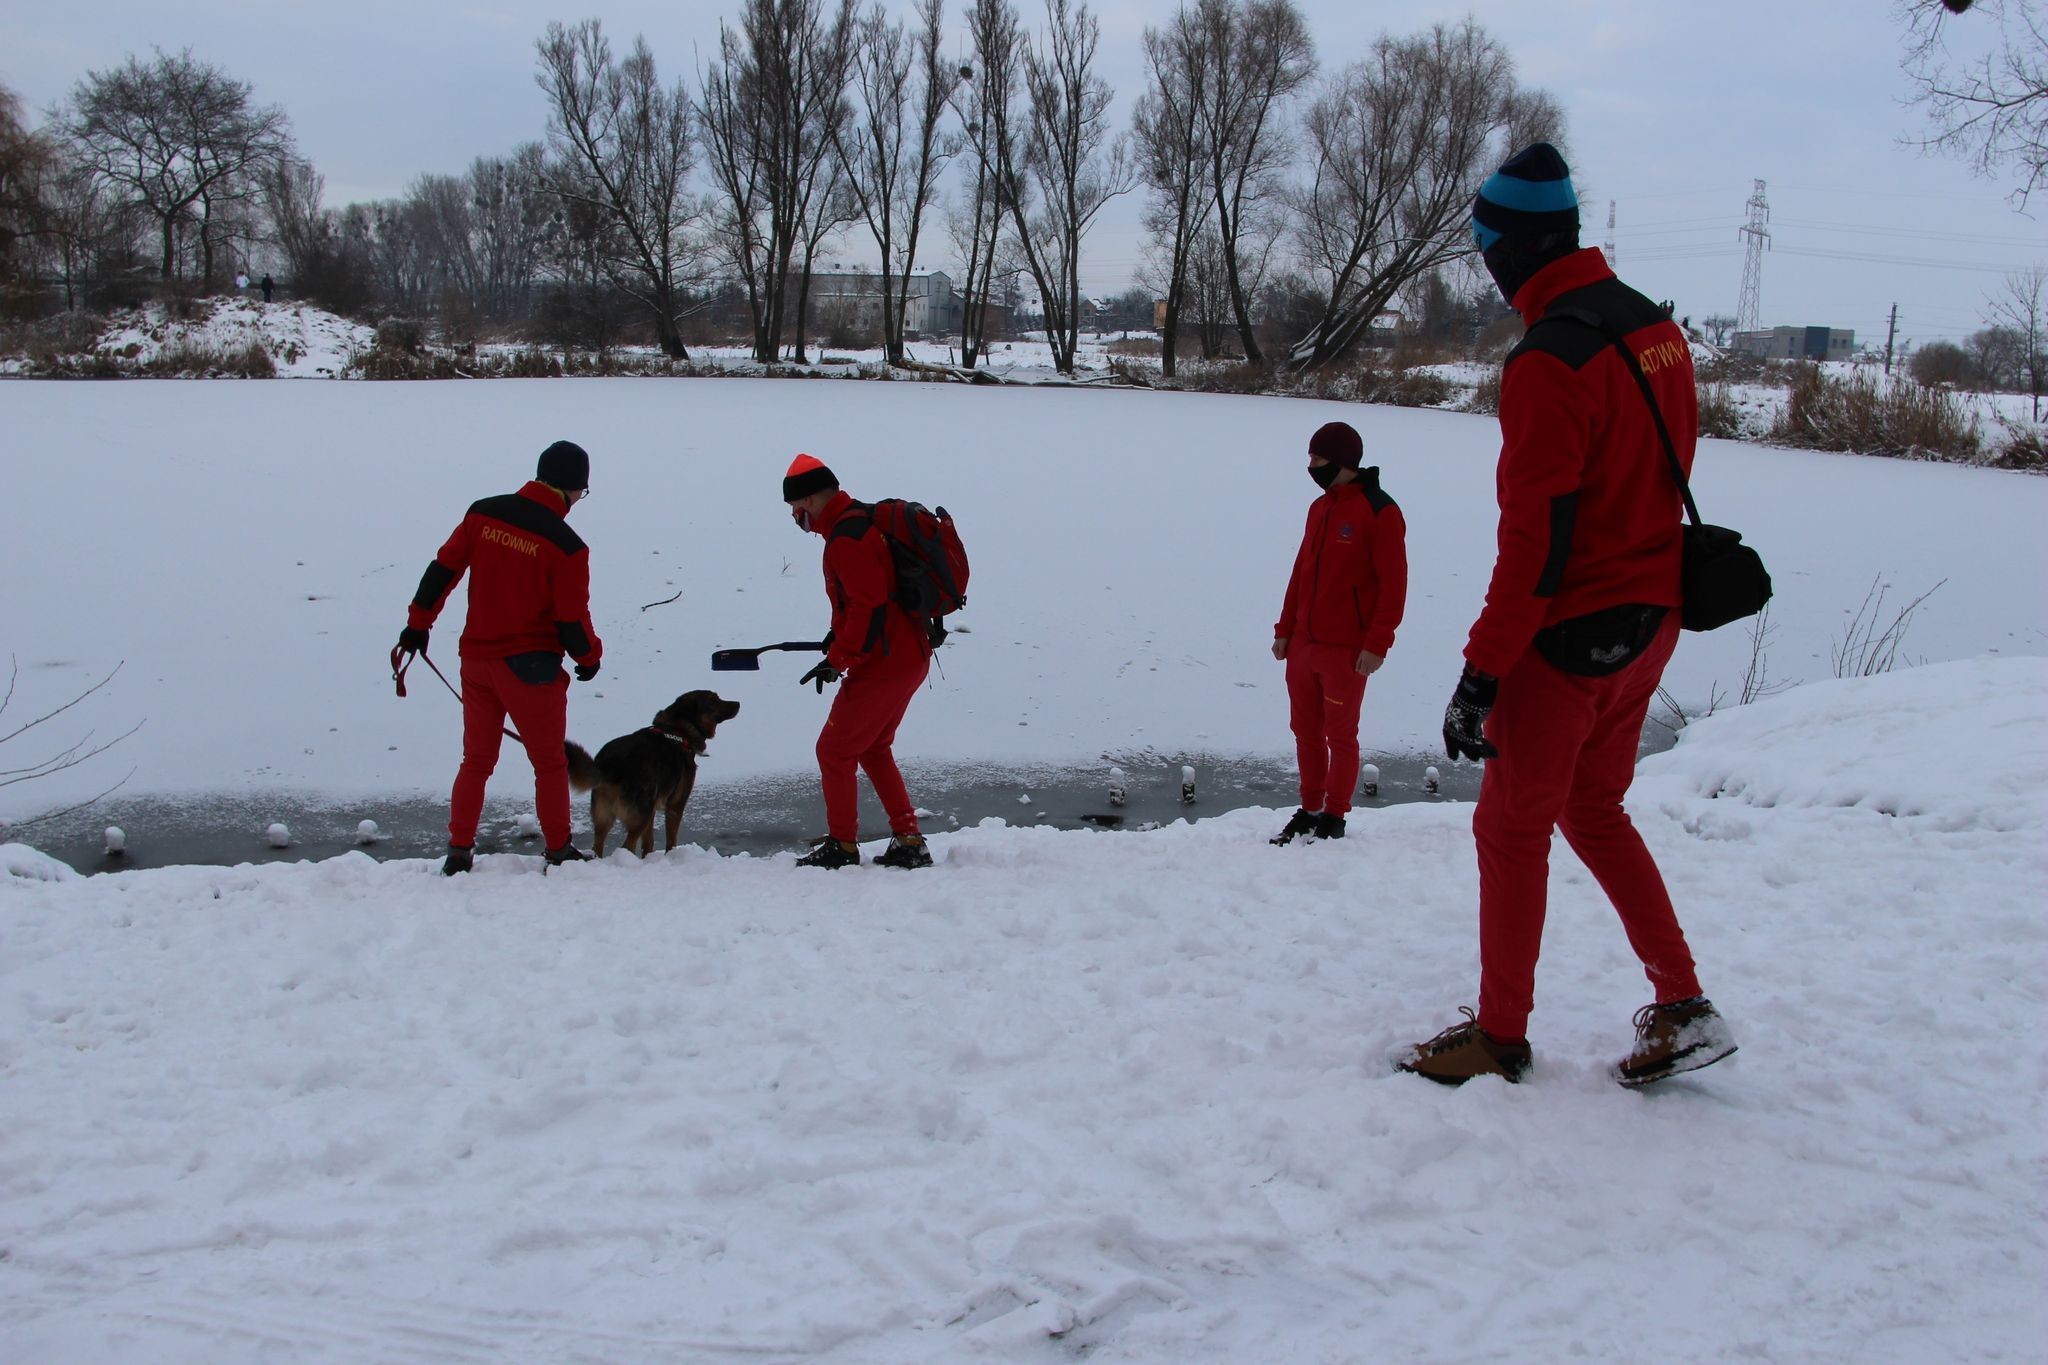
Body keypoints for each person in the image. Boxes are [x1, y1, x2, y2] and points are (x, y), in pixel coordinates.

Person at [1401, 143, 1737, 1087]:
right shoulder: (1654, 329)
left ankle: (1499, 1035)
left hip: (1572, 635)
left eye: (1486, 246)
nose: (1487, 266)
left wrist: (1481, 672)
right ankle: (1682, 1002)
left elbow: (1535, 547)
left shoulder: (1550, 359)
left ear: (1514, 245)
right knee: (1594, 807)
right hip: (1655, 615)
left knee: (1510, 828)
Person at [397, 440, 603, 874]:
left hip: (476, 663)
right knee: (549, 763)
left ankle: (458, 850)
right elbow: (571, 619)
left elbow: (443, 569)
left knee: (475, 761)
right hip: (532, 670)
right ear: (571, 489)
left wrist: (418, 625)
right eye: (582, 493)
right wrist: (589, 658)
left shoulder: (483, 513)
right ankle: (559, 848)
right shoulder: (568, 546)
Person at [782, 453, 933, 870]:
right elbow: (865, 604)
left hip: (884, 663)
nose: (795, 516)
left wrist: (838, 659)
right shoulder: (858, 523)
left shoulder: (847, 538)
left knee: (833, 751)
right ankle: (907, 838)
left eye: (796, 507)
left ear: (811, 500)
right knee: (874, 747)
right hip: (909, 655)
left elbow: (870, 608)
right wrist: (837, 640)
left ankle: (843, 847)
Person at [1270, 420, 1407, 845]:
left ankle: (1335, 814)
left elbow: (1393, 582)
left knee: (1340, 734)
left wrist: (1377, 644)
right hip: (1304, 646)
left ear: (1344, 462)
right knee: (1305, 731)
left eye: (1318, 458)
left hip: (1347, 650)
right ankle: (1310, 808)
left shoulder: (1380, 511)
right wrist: (1285, 628)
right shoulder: (1320, 508)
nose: (1310, 466)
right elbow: (1301, 572)